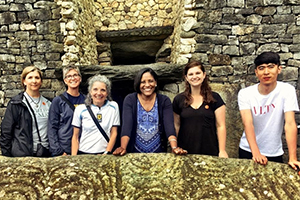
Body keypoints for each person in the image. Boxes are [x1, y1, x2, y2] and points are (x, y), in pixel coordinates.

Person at [238, 51, 300, 172]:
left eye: (271, 67)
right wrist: (255, 153)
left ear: (279, 69)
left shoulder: (287, 90)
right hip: (248, 149)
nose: (266, 72)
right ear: (256, 72)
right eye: (261, 68)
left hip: (274, 151)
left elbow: (290, 123)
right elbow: (248, 123)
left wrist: (293, 157)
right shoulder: (245, 93)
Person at [113, 68, 187, 156]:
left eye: (150, 81)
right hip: (134, 153)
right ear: (138, 84)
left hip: (158, 154)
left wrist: (174, 147)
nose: (147, 85)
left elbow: (169, 127)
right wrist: (123, 147)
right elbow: (127, 127)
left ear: (155, 83)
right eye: (143, 82)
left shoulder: (164, 101)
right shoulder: (130, 100)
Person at [173, 61, 228, 157]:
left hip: (210, 151)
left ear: (204, 75)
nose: (194, 77)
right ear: (186, 77)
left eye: (198, 73)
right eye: (191, 74)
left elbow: (221, 126)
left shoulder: (215, 98)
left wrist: (222, 150)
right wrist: (175, 147)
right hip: (184, 152)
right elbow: (176, 125)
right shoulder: (178, 100)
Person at [0, 66, 51, 157]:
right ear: (24, 81)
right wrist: (7, 157)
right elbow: (6, 133)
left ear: (41, 81)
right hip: (23, 156)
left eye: (37, 78)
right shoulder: (16, 103)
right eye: (30, 77)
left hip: (46, 154)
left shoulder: (49, 103)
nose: (34, 81)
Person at [71, 74, 120, 155]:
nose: (99, 93)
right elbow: (75, 136)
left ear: (107, 93)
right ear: (90, 92)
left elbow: (114, 132)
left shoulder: (113, 107)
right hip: (84, 153)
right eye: (95, 89)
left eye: (103, 90)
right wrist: (73, 158)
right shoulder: (80, 109)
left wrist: (106, 153)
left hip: (104, 153)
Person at [47, 65, 85, 156]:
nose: (73, 78)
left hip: (83, 148)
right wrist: (58, 151)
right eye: (69, 76)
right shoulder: (58, 101)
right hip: (64, 149)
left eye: (75, 75)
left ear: (80, 78)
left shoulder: (86, 100)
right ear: (65, 80)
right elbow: (52, 127)